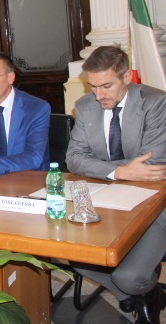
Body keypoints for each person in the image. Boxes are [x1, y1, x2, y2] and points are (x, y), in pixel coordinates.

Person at [66, 45, 166, 323]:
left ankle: (139, 291)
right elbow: (74, 159)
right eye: (93, 86)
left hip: (153, 206)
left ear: (127, 77)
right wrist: (120, 171)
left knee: (129, 277)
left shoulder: (156, 103)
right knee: (77, 257)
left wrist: (108, 170)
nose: (99, 96)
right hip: (105, 201)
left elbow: (151, 168)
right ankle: (144, 297)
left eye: (106, 86)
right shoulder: (86, 106)